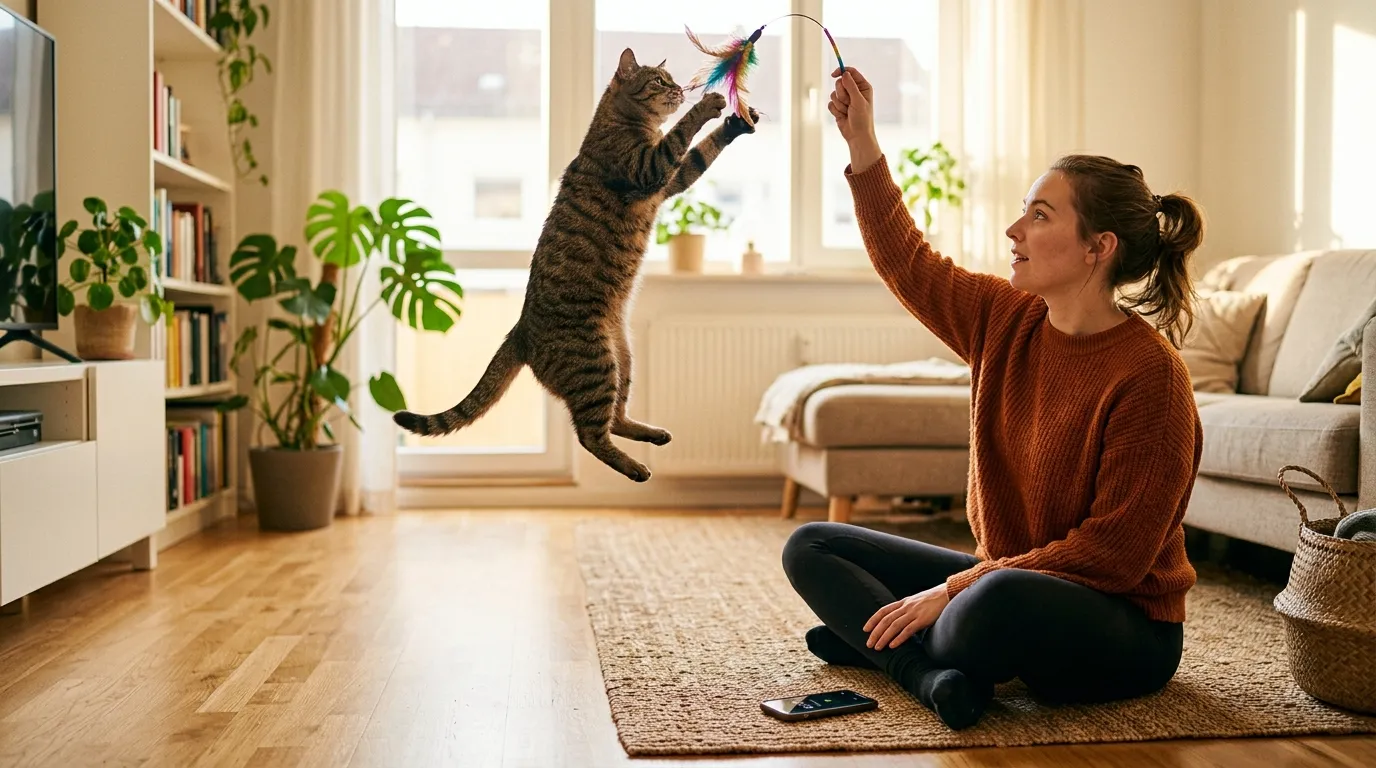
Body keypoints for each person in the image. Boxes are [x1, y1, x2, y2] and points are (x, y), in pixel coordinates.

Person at [781, 67, 1206, 731]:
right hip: (1008, 577)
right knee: (811, 546)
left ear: (1099, 248)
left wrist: (950, 590)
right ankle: (928, 673)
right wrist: (861, 142)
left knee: (990, 601)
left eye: (1039, 216)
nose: (1014, 229)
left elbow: (1112, 557)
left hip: (1121, 625)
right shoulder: (1004, 317)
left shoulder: (1151, 376)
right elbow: (908, 261)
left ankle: (887, 647)